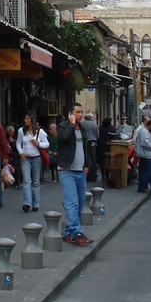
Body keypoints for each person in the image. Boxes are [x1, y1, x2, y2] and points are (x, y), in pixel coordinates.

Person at [56, 104, 92, 245]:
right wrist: (71, 125)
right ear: (71, 114)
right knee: (72, 203)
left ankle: (68, 233)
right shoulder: (63, 126)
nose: (80, 115)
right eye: (77, 112)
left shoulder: (82, 128)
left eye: (82, 112)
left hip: (81, 171)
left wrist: (88, 165)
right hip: (67, 170)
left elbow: (86, 147)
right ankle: (76, 232)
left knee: (80, 202)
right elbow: (63, 138)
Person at [17, 114, 49, 213]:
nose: (25, 121)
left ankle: (36, 203)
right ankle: (27, 203)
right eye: (25, 119)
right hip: (26, 158)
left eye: (27, 119)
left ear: (32, 120)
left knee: (36, 181)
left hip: (37, 158)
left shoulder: (40, 132)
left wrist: (38, 144)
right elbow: (18, 143)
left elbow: (47, 144)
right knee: (26, 180)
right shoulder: (21, 131)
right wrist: (21, 152)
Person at [82, 111, 100, 181]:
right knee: (93, 159)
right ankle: (93, 175)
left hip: (85, 142)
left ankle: (87, 174)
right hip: (93, 142)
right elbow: (97, 134)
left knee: (86, 158)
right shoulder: (94, 124)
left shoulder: (82, 124)